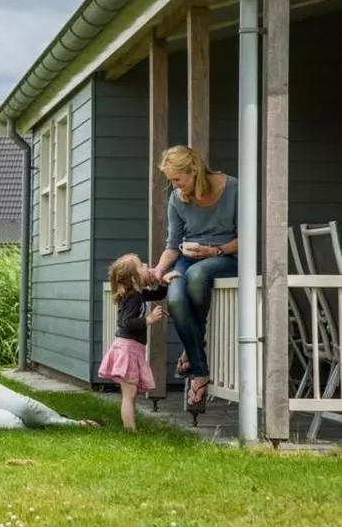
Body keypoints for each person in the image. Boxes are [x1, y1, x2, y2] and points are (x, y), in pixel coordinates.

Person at [148, 145, 239, 407]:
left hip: (227, 256)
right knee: (175, 297)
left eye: (178, 179)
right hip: (188, 258)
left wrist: (216, 250)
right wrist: (158, 270)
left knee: (198, 275)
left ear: (194, 170)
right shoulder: (177, 199)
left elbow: (247, 237)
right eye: (171, 180)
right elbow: (173, 244)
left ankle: (193, 356)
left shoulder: (233, 188)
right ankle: (200, 367)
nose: (175, 185)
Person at [99, 253, 174, 431]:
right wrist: (148, 319)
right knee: (129, 393)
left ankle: (130, 427)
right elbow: (126, 323)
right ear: (133, 277)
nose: (146, 265)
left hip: (133, 349)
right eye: (141, 265)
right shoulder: (132, 298)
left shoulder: (138, 294)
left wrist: (164, 282)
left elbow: (158, 294)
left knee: (131, 394)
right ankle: (130, 431)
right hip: (127, 349)